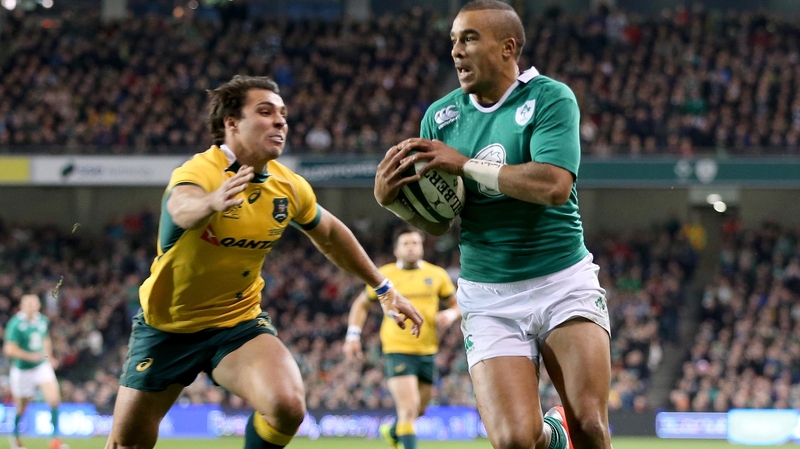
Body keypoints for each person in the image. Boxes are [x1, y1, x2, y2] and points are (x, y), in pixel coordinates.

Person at [105, 75, 423, 449]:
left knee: (287, 405)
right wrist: (210, 202)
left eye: (283, 115)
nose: (280, 122)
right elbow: (181, 205)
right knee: (127, 444)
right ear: (231, 123)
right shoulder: (200, 171)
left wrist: (383, 288)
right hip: (168, 327)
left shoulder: (289, 185)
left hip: (236, 323)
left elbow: (332, 234)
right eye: (266, 111)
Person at [374, 1, 612, 448]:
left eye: (468, 38)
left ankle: (569, 430)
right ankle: (552, 435)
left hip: (562, 280)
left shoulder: (550, 97)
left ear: (508, 47)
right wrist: (396, 204)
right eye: (453, 42)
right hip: (488, 296)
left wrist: (464, 164)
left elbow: (554, 186)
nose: (456, 52)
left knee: (591, 425)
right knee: (516, 441)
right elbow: (440, 223)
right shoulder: (440, 117)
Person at [343, 226, 459, 449]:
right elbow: (361, 303)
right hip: (397, 349)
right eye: (406, 244)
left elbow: (457, 305)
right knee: (408, 409)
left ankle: (392, 431)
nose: (412, 248)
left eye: (415, 243)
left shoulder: (437, 275)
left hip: (428, 350)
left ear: (422, 247)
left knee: (419, 410)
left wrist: (451, 314)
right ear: (396, 250)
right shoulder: (385, 276)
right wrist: (353, 335)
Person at [3, 294, 68, 449]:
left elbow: (45, 339)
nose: (32, 306)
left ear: (39, 305)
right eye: (28, 303)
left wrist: (49, 357)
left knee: (54, 399)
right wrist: (29, 356)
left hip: (41, 366)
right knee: (21, 406)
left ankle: (55, 440)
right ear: (22, 305)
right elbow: (9, 349)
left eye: (34, 303)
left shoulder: (42, 320)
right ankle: (15, 437)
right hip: (22, 370)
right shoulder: (15, 324)